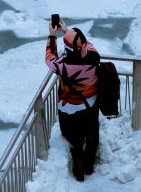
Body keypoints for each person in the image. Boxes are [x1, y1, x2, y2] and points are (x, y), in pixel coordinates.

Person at [45, 18, 100, 182]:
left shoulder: (63, 66)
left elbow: (49, 58)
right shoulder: (93, 57)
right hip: (90, 104)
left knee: (75, 139)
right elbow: (86, 44)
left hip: (70, 108)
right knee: (91, 135)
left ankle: (79, 169)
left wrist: (53, 36)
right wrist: (67, 31)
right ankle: (89, 165)